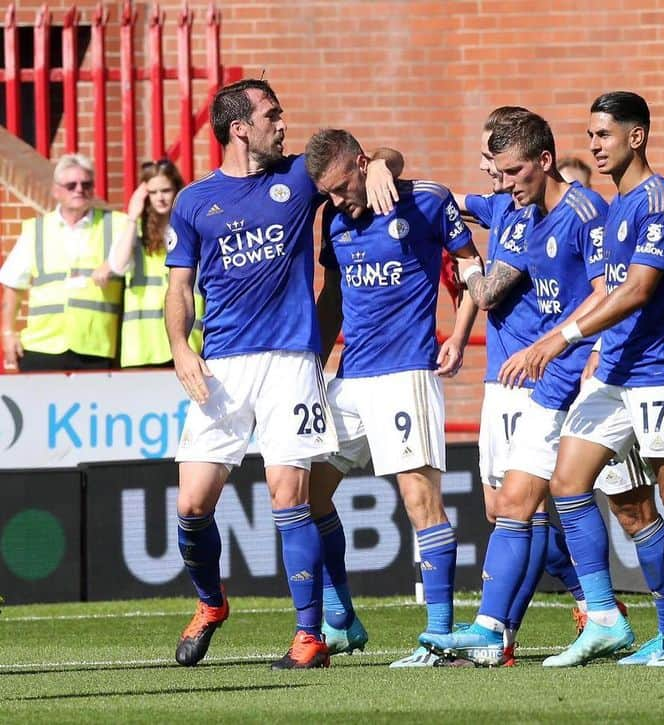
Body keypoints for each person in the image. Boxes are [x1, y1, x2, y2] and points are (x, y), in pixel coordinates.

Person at [421, 109, 664, 667]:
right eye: (498, 174)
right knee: (515, 502)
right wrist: (385, 171)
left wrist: (567, 344)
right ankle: (497, 628)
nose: (505, 185)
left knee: (635, 508)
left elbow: (607, 291)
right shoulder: (519, 212)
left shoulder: (587, 212)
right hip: (549, 385)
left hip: (590, 377)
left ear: (543, 162)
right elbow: (445, 198)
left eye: (514, 173)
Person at [163, 78, 397, 670]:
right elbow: (179, 288)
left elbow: (368, 160)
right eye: (272, 115)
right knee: (192, 505)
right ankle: (211, 603)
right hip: (222, 366)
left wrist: (379, 167)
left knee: (289, 496)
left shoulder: (297, 178)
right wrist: (180, 348)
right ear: (239, 127)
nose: (282, 123)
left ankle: (309, 636)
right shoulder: (194, 201)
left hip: (292, 361)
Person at [494, 92, 664, 667]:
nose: (594, 145)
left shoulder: (659, 202)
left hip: (660, 372)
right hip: (615, 374)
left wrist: (560, 338)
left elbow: (638, 290)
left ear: (636, 137)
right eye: (591, 135)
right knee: (568, 482)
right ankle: (605, 617)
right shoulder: (619, 204)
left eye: (604, 134)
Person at [304, 128, 480, 668]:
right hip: (350, 377)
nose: (336, 201)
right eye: (327, 194)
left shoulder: (427, 200)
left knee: (420, 503)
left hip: (406, 374)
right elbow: (332, 298)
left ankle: (440, 639)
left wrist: (459, 333)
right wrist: (311, 362)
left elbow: (472, 269)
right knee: (305, 497)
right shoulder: (335, 220)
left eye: (340, 188)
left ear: (363, 165)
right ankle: (340, 619)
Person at [1, 154, 127, 371]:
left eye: (86, 184)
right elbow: (13, 285)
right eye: (71, 185)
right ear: (56, 191)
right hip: (43, 346)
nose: (79, 189)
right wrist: (7, 332)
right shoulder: (36, 230)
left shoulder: (117, 225)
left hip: (96, 348)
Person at [95, 159, 203, 367]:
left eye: (165, 190)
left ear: (177, 191)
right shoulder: (136, 232)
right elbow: (117, 265)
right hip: (142, 347)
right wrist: (133, 216)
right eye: (153, 192)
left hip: (187, 344)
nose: (160, 198)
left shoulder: (192, 230)